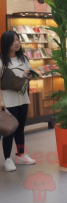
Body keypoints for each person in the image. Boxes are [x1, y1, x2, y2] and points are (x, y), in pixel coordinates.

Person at [0, 31, 36, 172]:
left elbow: (28, 76)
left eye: (18, 39)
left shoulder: (23, 58)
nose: (17, 43)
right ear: (6, 43)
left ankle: (21, 155)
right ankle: (7, 159)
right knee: (9, 130)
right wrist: (1, 101)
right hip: (8, 101)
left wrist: (28, 76)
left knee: (20, 129)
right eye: (13, 40)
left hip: (22, 99)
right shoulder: (2, 60)